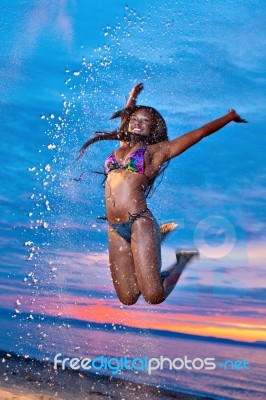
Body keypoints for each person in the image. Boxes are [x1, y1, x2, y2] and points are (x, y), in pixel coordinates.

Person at [79, 83, 247, 305]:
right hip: (114, 227)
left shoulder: (158, 152)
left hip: (139, 222)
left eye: (145, 121)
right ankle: (158, 237)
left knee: (154, 296)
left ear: (153, 128)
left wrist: (230, 117)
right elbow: (126, 118)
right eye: (134, 120)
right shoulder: (122, 145)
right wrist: (131, 98)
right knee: (128, 297)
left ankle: (182, 260)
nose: (138, 123)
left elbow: (199, 133)